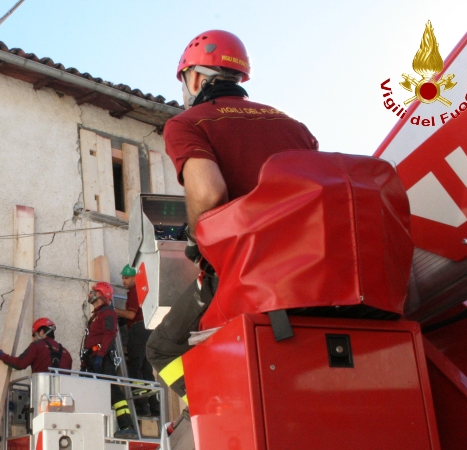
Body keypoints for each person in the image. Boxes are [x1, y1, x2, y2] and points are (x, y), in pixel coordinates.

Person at [146, 30, 319, 403]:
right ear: (239, 78)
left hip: (244, 271)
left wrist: (200, 243)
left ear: (194, 77)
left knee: (161, 348)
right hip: (310, 271)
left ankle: (213, 411)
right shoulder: (294, 127)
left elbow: (209, 192)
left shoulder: (188, 123)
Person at [81, 282, 137, 439]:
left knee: (112, 391)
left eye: (93, 291)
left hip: (103, 358)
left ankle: (127, 426)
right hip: (93, 359)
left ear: (99, 294)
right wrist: (86, 361)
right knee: (92, 393)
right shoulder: (96, 315)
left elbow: (109, 333)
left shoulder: (108, 313)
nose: (90, 294)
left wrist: (100, 355)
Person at [115, 264, 160, 416]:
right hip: (149, 330)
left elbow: (131, 315)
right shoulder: (145, 291)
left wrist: (113, 310)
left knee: (135, 368)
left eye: (126, 278)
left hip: (138, 330)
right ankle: (154, 406)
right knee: (146, 370)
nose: (123, 281)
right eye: (122, 278)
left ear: (135, 278)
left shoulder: (135, 291)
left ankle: (142, 406)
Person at [0, 318, 73, 373]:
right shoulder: (67, 353)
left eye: (35, 334)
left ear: (41, 332)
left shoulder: (37, 346)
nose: (34, 338)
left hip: (42, 392)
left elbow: (20, 364)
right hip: (64, 395)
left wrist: (2, 356)